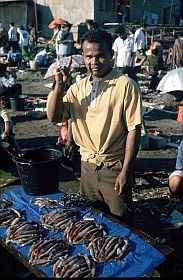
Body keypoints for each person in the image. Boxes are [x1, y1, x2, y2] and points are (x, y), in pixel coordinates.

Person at [47, 29, 142, 218]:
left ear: (111, 56)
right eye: (89, 56)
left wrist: (126, 171)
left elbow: (134, 129)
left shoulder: (126, 85)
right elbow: (53, 116)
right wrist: (59, 85)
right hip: (87, 166)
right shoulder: (77, 88)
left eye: (100, 56)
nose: (94, 62)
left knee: (121, 220)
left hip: (114, 166)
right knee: (92, 218)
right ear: (83, 56)